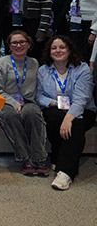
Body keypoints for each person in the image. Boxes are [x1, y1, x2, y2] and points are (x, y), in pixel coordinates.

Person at [36, 36, 96, 190]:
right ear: (49, 52)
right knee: (53, 117)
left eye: (62, 47)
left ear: (69, 50)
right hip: (55, 107)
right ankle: (57, 155)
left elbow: (82, 98)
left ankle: (66, 172)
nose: (58, 51)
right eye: (54, 48)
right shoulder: (43, 70)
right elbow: (39, 95)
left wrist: (68, 118)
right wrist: (56, 104)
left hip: (83, 109)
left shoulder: (82, 69)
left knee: (76, 124)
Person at [0, 30, 48, 176]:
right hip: (2, 103)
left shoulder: (34, 63)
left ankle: (39, 158)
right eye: (14, 43)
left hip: (27, 102)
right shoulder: (0, 63)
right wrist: (15, 104)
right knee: (10, 116)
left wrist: (26, 104)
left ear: (29, 44)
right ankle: (25, 159)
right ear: (9, 46)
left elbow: (36, 88)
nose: (18, 45)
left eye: (22, 42)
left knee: (33, 113)